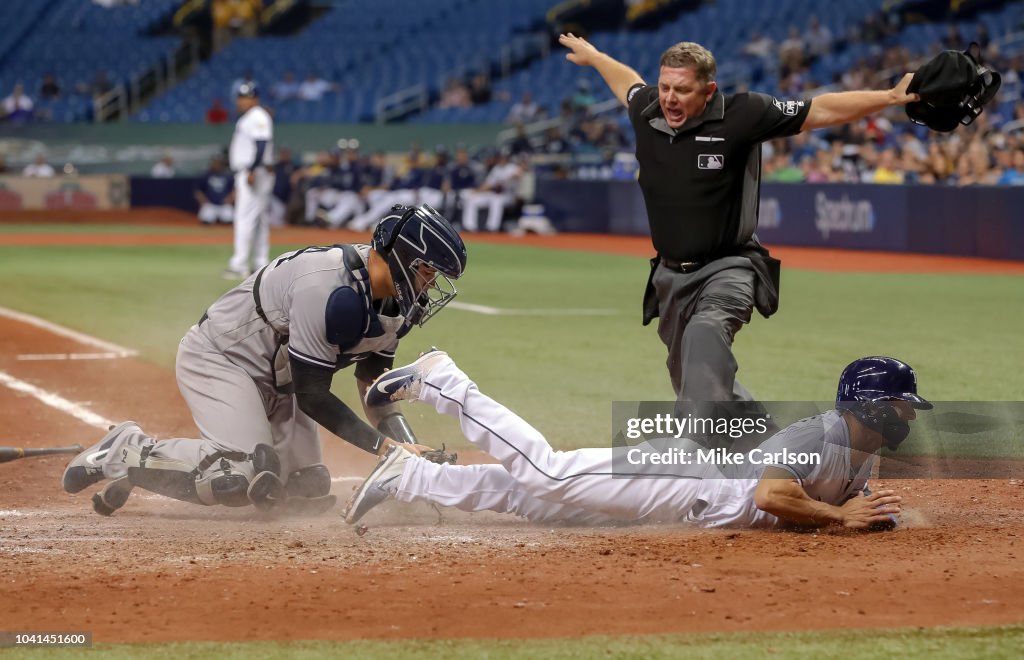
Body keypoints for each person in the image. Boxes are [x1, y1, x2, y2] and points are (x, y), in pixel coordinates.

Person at [556, 34, 921, 409]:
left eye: (681, 90)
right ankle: (764, 447)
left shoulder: (743, 114)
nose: (668, 98)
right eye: (664, 86)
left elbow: (821, 110)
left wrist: (890, 97)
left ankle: (691, 447)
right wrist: (597, 56)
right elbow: (627, 84)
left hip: (729, 267)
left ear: (708, 90)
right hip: (670, 276)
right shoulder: (648, 109)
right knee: (692, 378)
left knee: (705, 335)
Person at [63, 205, 468, 516]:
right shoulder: (326, 288)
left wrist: (410, 448)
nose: (430, 284)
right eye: (426, 271)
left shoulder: (394, 306)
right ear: (400, 256)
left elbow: (375, 384)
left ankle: (149, 468)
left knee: (304, 485)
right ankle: (126, 450)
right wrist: (386, 450)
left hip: (283, 376)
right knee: (236, 475)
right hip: (223, 358)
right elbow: (313, 395)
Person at [345, 352, 925, 530]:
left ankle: (414, 476)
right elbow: (770, 498)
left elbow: (839, 504)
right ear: (873, 407)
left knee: (539, 501)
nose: (910, 416)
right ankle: (445, 383)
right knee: (548, 473)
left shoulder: (859, 453)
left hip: (693, 495)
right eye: (904, 406)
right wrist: (838, 518)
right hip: (685, 482)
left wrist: (859, 513)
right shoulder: (820, 435)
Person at [224, 81, 274, 279]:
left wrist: (252, 170)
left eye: (247, 97)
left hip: (255, 172)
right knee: (259, 219)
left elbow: (261, 144)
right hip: (256, 171)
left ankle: (239, 264)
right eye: (241, 97)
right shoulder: (249, 117)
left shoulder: (258, 116)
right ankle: (261, 263)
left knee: (244, 217)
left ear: (255, 98)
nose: (242, 101)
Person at [194, 155, 235, 225]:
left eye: (218, 163)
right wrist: (204, 201)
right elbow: (198, 191)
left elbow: (234, 190)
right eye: (214, 163)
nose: (216, 165)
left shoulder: (228, 176)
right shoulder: (206, 175)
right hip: (210, 204)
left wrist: (230, 199)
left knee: (229, 219)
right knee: (206, 219)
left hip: (224, 205)